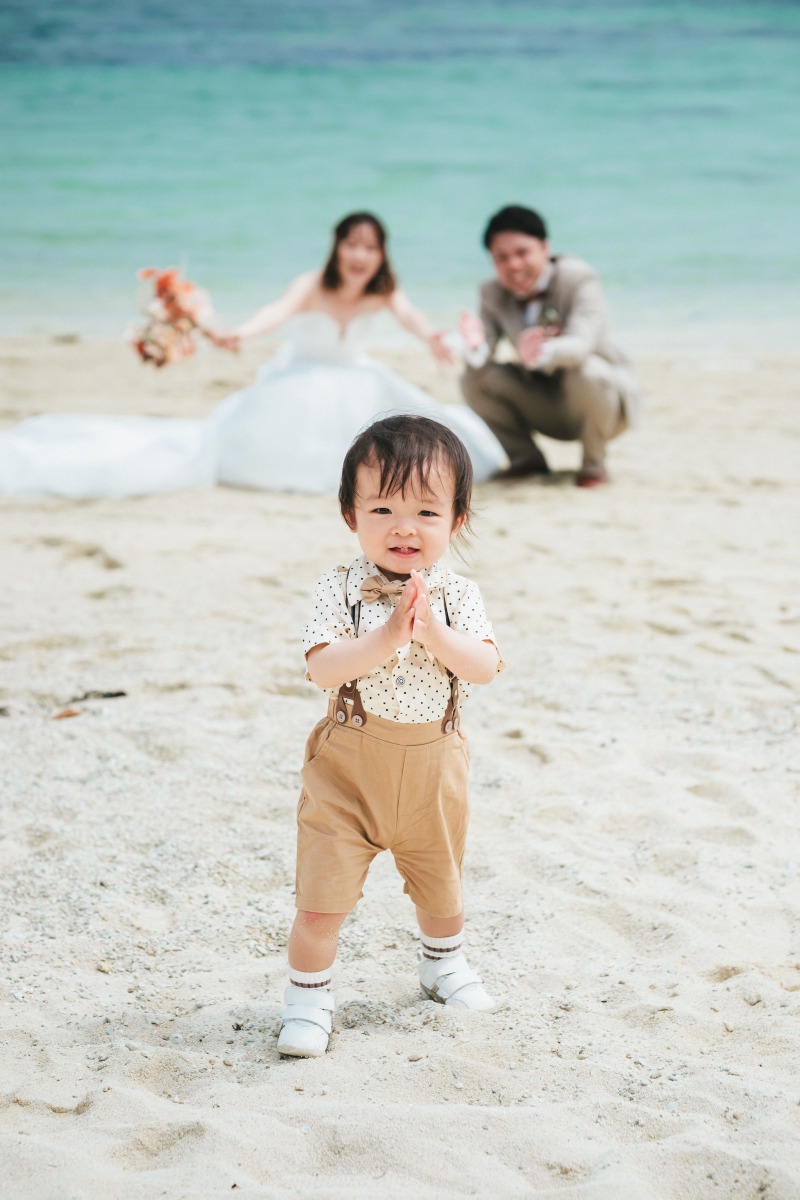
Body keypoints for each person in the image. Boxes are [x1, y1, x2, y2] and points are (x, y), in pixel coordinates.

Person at [278, 414, 503, 1058]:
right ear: (351, 515)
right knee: (321, 899)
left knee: (442, 885)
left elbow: (484, 667)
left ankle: (444, 964)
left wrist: (433, 631)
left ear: (456, 521)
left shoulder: (458, 595)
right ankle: (308, 999)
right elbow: (322, 667)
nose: (405, 526)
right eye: (382, 507)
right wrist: (387, 636)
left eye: (427, 512)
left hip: (435, 765)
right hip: (347, 769)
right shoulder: (338, 588)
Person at [0, 213, 505, 498]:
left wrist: (435, 339)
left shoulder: (382, 290)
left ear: (381, 255)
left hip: (360, 377)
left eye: (369, 248)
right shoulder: (313, 284)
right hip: (303, 377)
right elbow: (276, 313)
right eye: (351, 244)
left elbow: (413, 319)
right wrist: (239, 332)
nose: (359, 255)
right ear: (337, 248)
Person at [459, 205, 643, 487]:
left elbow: (581, 345)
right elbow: (483, 352)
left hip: (604, 403)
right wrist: (472, 344)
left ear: (545, 248)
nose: (513, 265)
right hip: (547, 402)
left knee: (587, 370)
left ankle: (593, 465)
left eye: (522, 253)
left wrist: (540, 352)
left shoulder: (579, 278)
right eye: (501, 258)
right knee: (474, 377)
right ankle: (526, 459)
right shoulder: (491, 292)